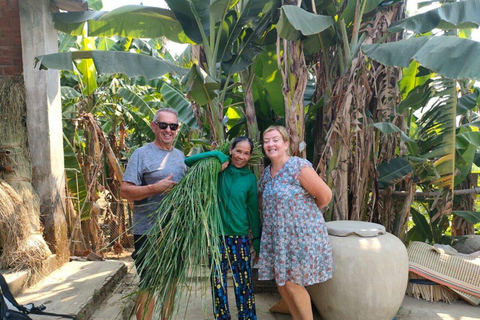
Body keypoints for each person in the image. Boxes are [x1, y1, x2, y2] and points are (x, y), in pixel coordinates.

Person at [257, 125, 333, 320]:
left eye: (275, 140)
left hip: (301, 236)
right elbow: (261, 201)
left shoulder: (298, 166)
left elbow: (324, 195)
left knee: (292, 282)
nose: (270, 144)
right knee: (282, 283)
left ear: (286, 144)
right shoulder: (267, 174)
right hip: (279, 238)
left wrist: (303, 218)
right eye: (266, 141)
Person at [120, 108, 187, 320]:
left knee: (171, 283)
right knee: (148, 283)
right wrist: (154, 188)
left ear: (177, 129)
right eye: (163, 125)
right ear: (154, 126)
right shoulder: (141, 154)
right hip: (147, 231)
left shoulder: (180, 156)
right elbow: (124, 191)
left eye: (173, 126)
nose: (168, 130)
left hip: (174, 231)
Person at [184, 137, 261, 320]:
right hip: (216, 235)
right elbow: (188, 161)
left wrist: (256, 241)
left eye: (246, 153)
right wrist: (217, 154)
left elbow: (252, 211)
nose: (241, 156)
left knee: (243, 283)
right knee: (218, 283)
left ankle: (247, 317)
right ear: (231, 150)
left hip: (239, 237)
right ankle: (222, 317)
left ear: (250, 156)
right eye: (238, 151)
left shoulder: (250, 178)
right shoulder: (217, 170)